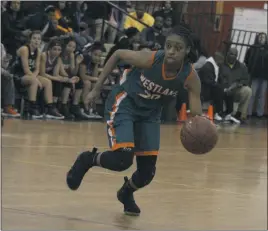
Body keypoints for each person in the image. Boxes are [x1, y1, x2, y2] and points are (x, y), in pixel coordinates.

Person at [66, 25, 202, 216]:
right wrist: (97, 89)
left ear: (187, 50)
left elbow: (196, 115)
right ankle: (88, 159)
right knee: (122, 159)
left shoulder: (190, 77)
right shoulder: (151, 59)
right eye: (168, 45)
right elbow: (118, 54)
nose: (171, 51)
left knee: (147, 173)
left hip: (150, 115)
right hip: (126, 103)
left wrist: (200, 130)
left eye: (177, 48)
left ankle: (126, 193)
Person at [12, 30, 62, 119]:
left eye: (39, 39)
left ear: (41, 41)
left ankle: (50, 108)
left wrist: (35, 78)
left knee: (47, 82)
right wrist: (35, 79)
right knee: (33, 81)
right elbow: (26, 69)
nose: (36, 40)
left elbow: (37, 69)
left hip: (30, 75)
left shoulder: (38, 52)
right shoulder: (25, 49)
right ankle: (32, 107)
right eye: (34, 38)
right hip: (18, 75)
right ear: (30, 40)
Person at [245, 32, 268, 118]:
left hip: (265, 76)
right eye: (260, 37)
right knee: (252, 94)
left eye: (264, 37)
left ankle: (260, 114)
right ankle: (249, 112)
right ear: (257, 38)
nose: (262, 39)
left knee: (261, 95)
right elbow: (246, 60)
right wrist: (250, 70)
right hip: (254, 75)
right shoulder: (252, 48)